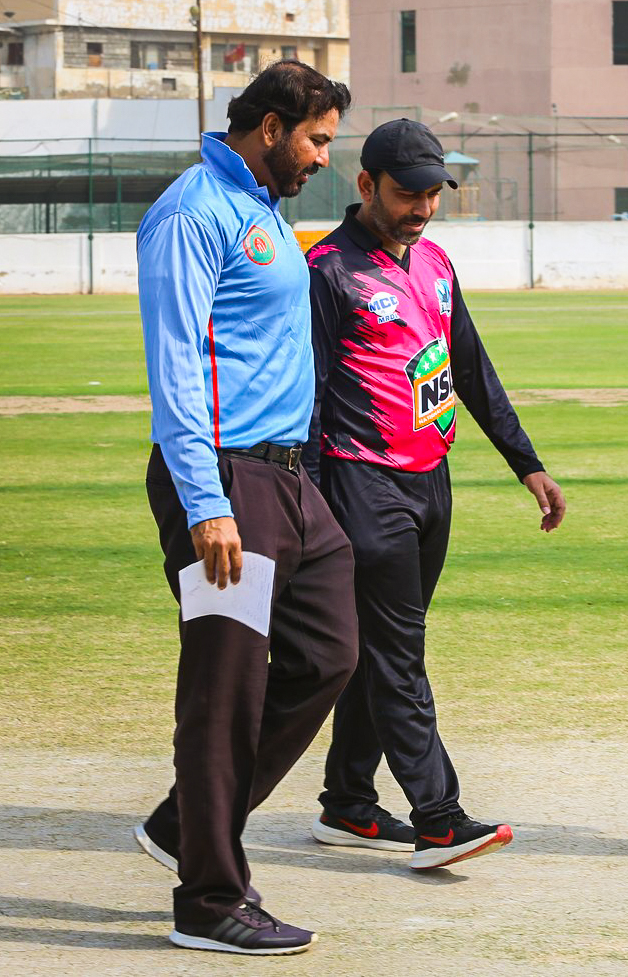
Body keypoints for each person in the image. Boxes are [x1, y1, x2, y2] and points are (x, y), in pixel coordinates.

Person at [134, 60, 358, 954]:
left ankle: (184, 823)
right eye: (317, 140)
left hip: (290, 481)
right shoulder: (191, 213)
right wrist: (206, 502)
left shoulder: (262, 208)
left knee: (330, 654)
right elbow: (176, 365)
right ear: (271, 128)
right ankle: (210, 901)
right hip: (225, 484)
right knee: (225, 693)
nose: (324, 158)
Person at [302, 118, 566, 870]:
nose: (421, 208)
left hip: (431, 481)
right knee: (399, 653)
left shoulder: (437, 263)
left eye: (431, 195)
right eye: (406, 194)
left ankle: (349, 803)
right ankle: (440, 817)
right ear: (365, 185)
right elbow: (307, 398)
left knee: (375, 651)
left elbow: (471, 369)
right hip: (361, 480)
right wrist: (309, 506)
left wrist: (527, 463)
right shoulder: (327, 272)